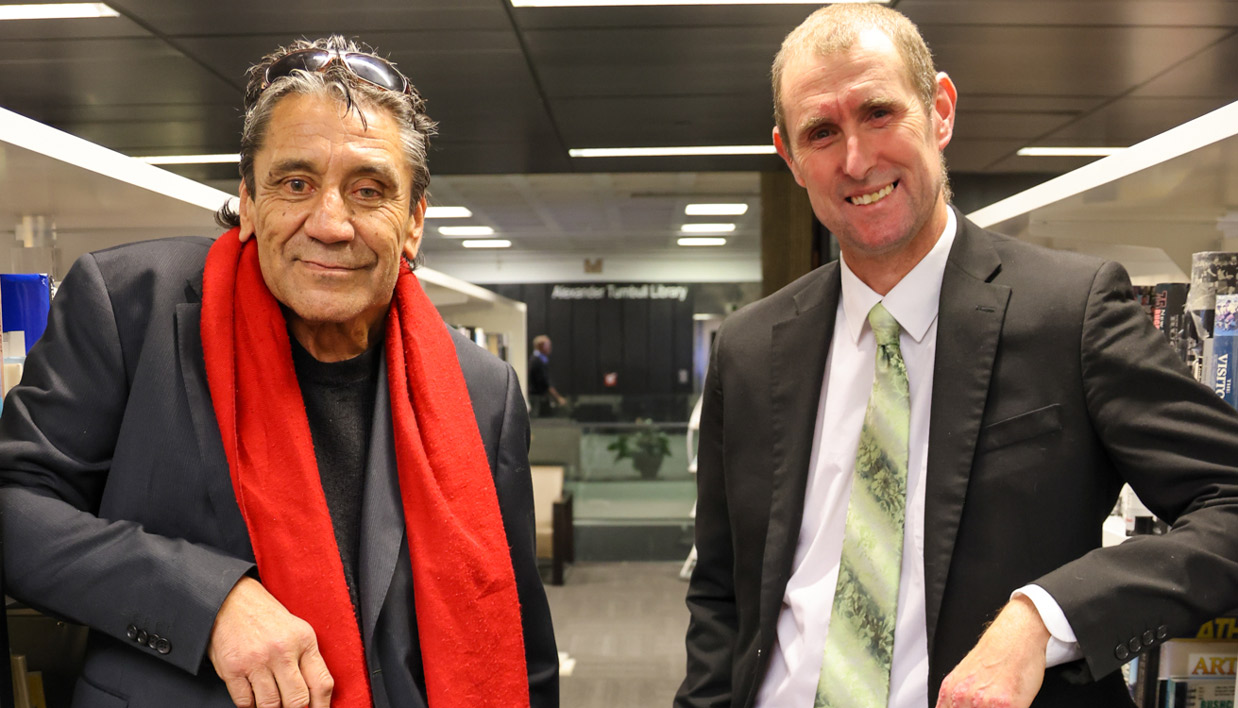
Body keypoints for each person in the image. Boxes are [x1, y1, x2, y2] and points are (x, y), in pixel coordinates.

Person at [676, 5, 1238, 708]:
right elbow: (722, 593)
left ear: (939, 111)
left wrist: (1044, 617)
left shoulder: (1071, 312)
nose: (856, 159)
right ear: (790, 156)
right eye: (822, 131)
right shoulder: (750, 348)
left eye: (879, 112)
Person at [0, 37, 557, 708]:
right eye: (296, 183)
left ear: (413, 225)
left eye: (369, 190)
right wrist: (209, 601)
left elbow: (519, 634)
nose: (329, 223)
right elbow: (17, 509)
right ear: (248, 199)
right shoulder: (130, 309)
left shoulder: (483, 392)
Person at [528, 335, 566, 417]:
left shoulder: (540, 359)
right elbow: (545, 381)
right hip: (537, 398)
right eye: (548, 345)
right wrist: (558, 397)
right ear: (541, 346)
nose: (550, 348)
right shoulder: (537, 360)